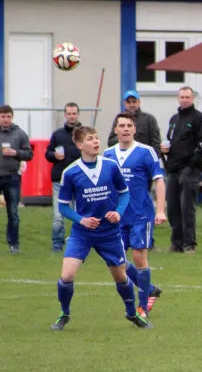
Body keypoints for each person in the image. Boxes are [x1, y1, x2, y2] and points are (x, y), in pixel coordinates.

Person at [50, 126, 151, 330]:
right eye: (90, 139)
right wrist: (81, 220)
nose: (96, 141)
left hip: (109, 233)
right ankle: (64, 313)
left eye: (97, 138)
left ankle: (132, 314)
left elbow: (124, 193)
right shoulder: (70, 172)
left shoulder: (110, 166)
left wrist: (118, 213)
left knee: (121, 276)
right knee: (67, 276)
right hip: (82, 234)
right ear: (80, 145)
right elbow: (62, 205)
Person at [104, 112, 167, 318]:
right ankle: (148, 289)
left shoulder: (145, 152)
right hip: (117, 216)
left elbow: (159, 180)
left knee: (139, 256)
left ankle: (142, 308)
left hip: (141, 213)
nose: (125, 129)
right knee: (115, 261)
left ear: (134, 129)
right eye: (121, 126)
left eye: (129, 125)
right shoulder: (107, 155)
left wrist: (160, 210)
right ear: (115, 130)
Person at [161, 86, 202, 253]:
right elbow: (171, 139)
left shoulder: (199, 119)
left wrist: (191, 165)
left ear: (192, 98)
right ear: (178, 98)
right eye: (182, 97)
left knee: (186, 207)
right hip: (173, 168)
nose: (184, 99)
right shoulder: (174, 119)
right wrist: (166, 149)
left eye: (187, 97)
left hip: (190, 169)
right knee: (173, 207)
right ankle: (176, 243)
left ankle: (189, 244)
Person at [45, 102, 82, 253]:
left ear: (78, 114)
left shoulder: (84, 134)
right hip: (59, 180)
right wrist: (54, 155)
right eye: (69, 113)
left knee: (78, 215)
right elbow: (47, 154)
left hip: (80, 181)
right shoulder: (57, 134)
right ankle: (57, 244)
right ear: (65, 115)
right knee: (58, 215)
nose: (72, 116)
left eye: (74, 113)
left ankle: (77, 242)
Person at [0, 105, 33, 254]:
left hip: (12, 176)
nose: (6, 120)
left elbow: (29, 154)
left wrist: (16, 152)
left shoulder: (19, 134)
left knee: (13, 212)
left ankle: (14, 244)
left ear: (12, 117)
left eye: (8, 117)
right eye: (3, 117)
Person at [107, 90, 162, 157]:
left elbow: (156, 144)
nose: (131, 104)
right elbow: (110, 142)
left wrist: (150, 160)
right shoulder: (119, 119)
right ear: (124, 103)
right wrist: (123, 136)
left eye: (134, 101)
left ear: (139, 102)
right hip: (123, 159)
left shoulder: (149, 119)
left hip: (143, 159)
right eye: (128, 102)